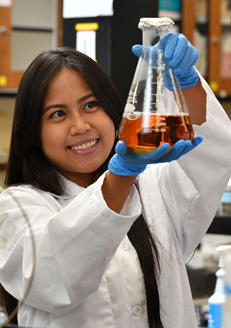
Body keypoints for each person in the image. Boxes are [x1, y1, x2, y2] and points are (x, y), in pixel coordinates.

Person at [0, 32, 231, 328]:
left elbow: (209, 158)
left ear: (112, 110)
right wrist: (121, 174)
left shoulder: (153, 187)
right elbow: (54, 276)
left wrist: (187, 83)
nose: (80, 126)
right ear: (33, 133)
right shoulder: (15, 208)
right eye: (58, 114)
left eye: (90, 105)